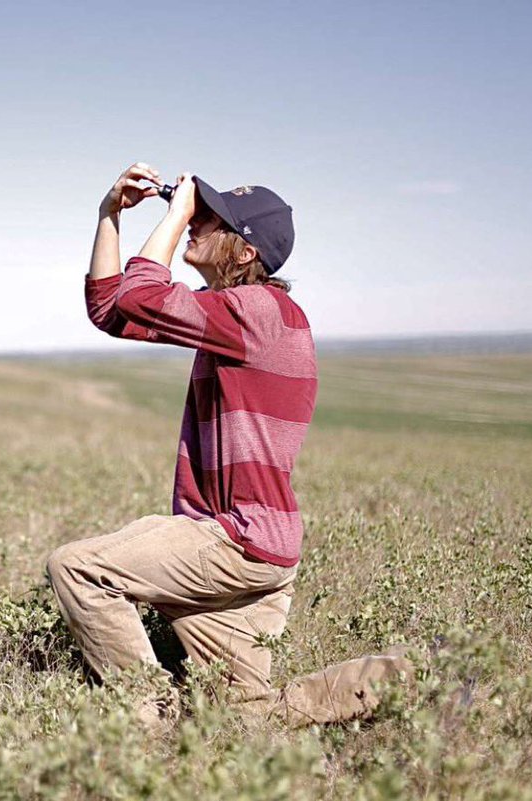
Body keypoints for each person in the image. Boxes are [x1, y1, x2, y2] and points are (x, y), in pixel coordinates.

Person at [46, 162, 414, 732]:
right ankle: (419, 674)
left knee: (80, 569)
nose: (196, 224)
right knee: (246, 719)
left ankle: (148, 730)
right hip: (258, 547)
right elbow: (111, 310)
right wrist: (109, 215)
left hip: (235, 539)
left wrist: (174, 212)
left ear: (243, 253)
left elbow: (143, 293)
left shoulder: (261, 314)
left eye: (210, 220)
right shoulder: (231, 316)